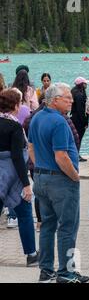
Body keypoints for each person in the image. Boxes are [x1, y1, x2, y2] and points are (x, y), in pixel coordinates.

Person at [28, 83, 89, 283]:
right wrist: (74, 176)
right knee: (68, 227)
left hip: (41, 177)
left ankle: (46, 269)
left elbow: (31, 148)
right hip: (60, 181)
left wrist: (42, 168)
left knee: (47, 225)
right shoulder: (60, 122)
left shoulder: (37, 117)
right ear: (54, 100)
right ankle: (67, 271)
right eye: (67, 98)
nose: (71, 101)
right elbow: (61, 156)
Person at [0, 89, 39, 267]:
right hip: (13, 174)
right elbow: (17, 156)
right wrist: (26, 184)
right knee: (24, 213)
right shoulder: (14, 126)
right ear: (16, 105)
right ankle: (31, 254)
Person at [71, 77, 89, 162]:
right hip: (79, 120)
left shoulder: (74, 92)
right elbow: (81, 110)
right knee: (79, 137)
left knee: (76, 137)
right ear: (82, 84)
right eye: (85, 83)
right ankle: (76, 155)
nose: (86, 85)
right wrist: (85, 122)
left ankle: (75, 154)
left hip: (74, 117)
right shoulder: (79, 95)